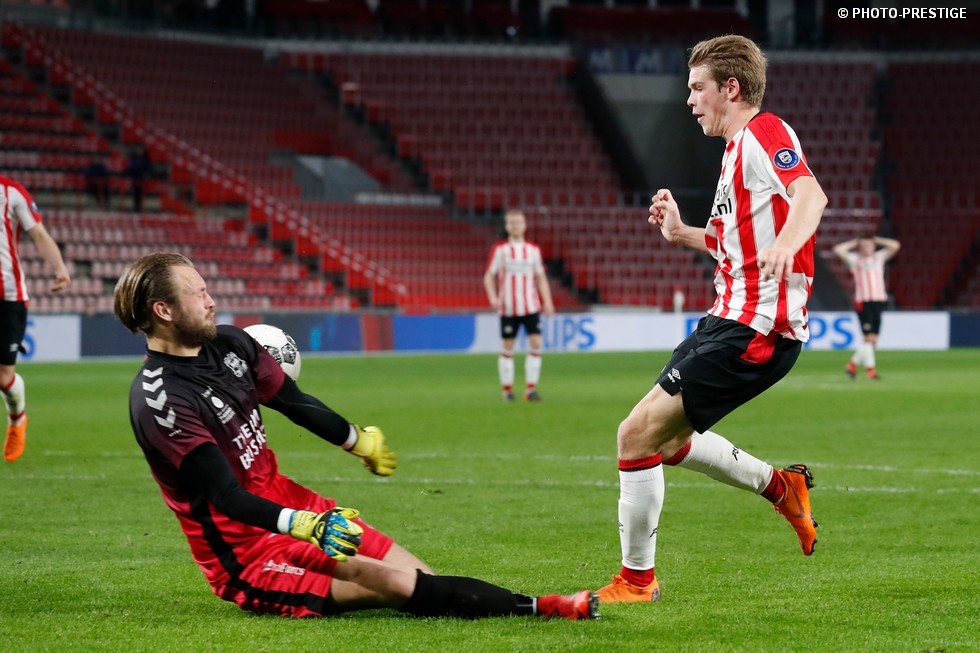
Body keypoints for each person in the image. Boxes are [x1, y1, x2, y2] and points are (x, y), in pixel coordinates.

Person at [113, 252, 597, 620]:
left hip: (296, 505)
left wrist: (356, 441)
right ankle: (546, 607)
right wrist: (306, 526)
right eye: (198, 293)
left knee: (420, 578)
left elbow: (293, 402)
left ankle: (528, 605)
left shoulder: (232, 344)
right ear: (164, 310)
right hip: (248, 553)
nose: (211, 300)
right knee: (395, 585)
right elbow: (226, 497)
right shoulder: (161, 399)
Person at [596, 35, 827, 604]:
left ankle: (637, 583)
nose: (690, 100)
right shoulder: (733, 152)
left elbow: (810, 195)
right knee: (667, 441)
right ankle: (782, 486)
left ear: (732, 88)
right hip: (723, 320)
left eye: (698, 88)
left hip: (758, 329)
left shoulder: (764, 132)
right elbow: (734, 243)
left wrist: (787, 244)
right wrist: (681, 233)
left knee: (635, 435)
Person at [1, 175, 72, 462]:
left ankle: (17, 419)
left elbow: (39, 234)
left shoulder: (12, 192)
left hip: (8, 297)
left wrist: (60, 268)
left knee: (4, 377)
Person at [483, 209, 555, 402]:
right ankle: (507, 390)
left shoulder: (533, 250)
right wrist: (493, 297)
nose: (515, 226)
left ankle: (530, 390)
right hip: (508, 307)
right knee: (508, 346)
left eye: (518, 222)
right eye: (511, 222)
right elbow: (489, 276)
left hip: (531, 306)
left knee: (536, 344)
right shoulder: (500, 250)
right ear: (507, 226)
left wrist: (547, 301)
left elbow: (541, 278)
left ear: (524, 225)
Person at [832, 235, 901, 380]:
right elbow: (838, 249)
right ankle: (870, 371)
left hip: (878, 301)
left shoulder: (879, 257)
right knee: (869, 338)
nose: (866, 248)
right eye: (863, 245)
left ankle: (852, 365)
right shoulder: (855, 260)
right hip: (864, 301)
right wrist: (855, 242)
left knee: (873, 340)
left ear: (874, 246)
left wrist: (877, 240)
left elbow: (895, 245)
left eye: (869, 245)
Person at [125, 146, 152, 213]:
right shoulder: (134, 158)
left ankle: (140, 208)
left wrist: (146, 175)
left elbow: (148, 168)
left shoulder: (146, 158)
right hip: (135, 179)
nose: (140, 151)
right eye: (139, 149)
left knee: (141, 194)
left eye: (141, 150)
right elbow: (131, 168)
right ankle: (136, 207)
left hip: (142, 180)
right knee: (136, 194)